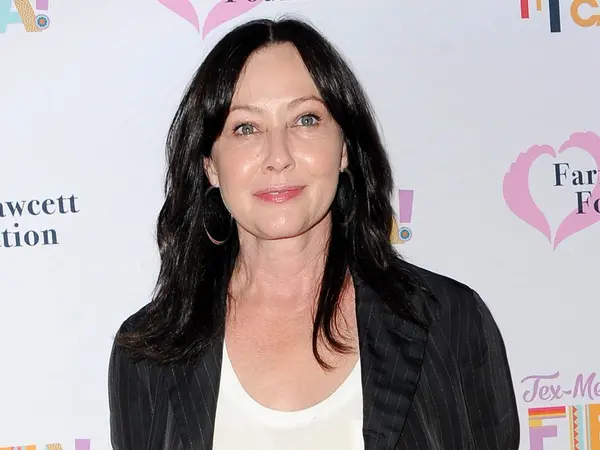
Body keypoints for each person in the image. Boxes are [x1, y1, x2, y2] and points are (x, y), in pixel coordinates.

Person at [108, 17, 520, 450]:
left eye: (305, 120)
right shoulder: (148, 355)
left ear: (343, 149)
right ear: (210, 164)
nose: (278, 156)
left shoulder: (450, 321)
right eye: (246, 127)